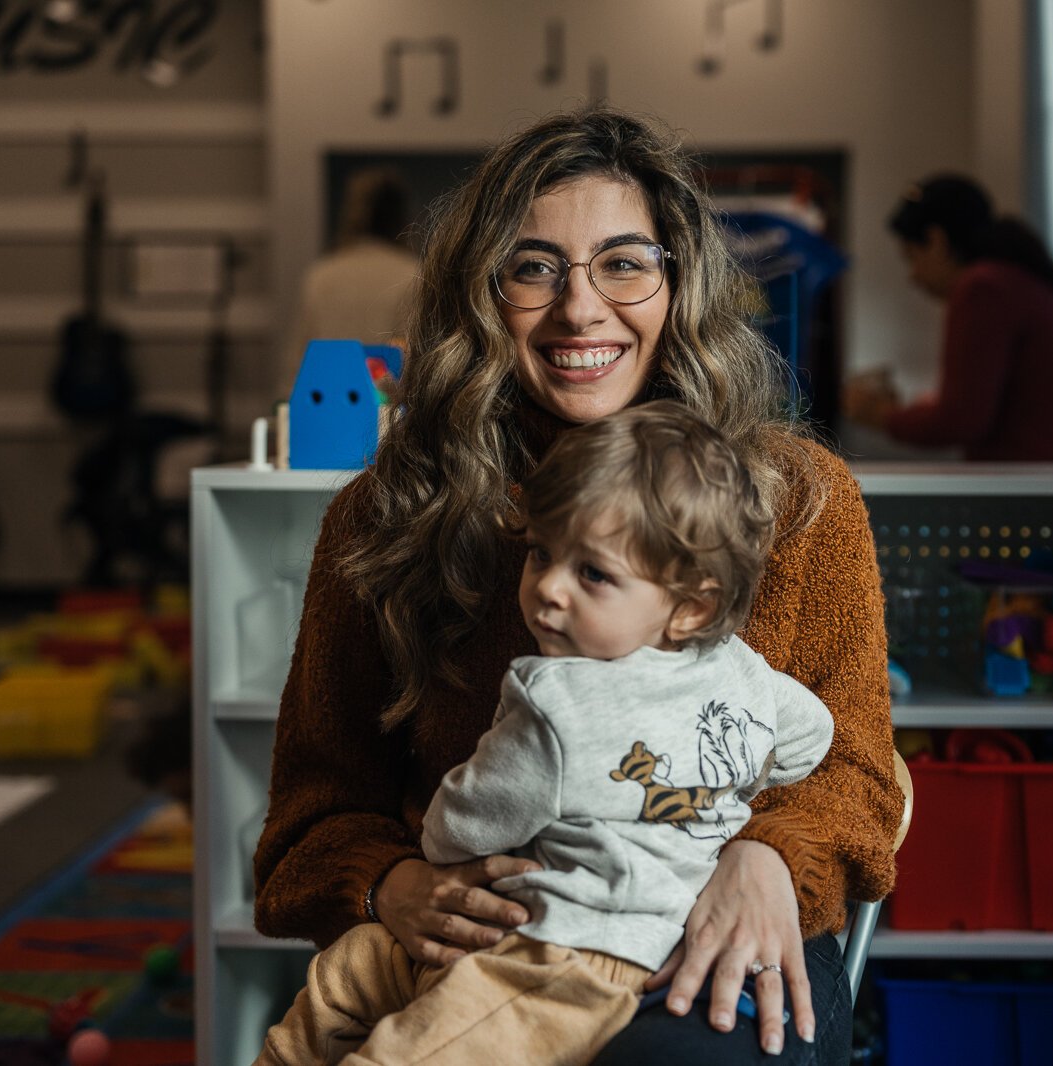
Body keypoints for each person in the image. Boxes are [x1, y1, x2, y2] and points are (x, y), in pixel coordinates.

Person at [253, 106, 903, 1065]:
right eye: (532, 268)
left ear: (679, 284)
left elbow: (855, 767)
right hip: (474, 956)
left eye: (624, 263)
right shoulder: (386, 513)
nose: (579, 310)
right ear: (483, 293)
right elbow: (313, 809)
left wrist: (773, 855)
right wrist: (387, 882)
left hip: (717, 933)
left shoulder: (799, 499)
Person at [255, 401, 835, 1065]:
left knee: (399, 1051)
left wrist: (434, 844)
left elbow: (462, 829)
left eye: (592, 573)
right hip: (626, 942)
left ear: (691, 605)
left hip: (553, 958)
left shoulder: (557, 701)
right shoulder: (743, 674)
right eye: (540, 552)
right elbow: (810, 738)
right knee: (358, 962)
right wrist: (730, 781)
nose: (548, 589)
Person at [842, 175, 1053, 461]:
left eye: (912, 256)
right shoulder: (1028, 279)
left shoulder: (983, 288)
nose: (913, 276)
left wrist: (880, 415)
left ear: (936, 241)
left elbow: (962, 419)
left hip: (1042, 483)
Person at [283, 166, 419, 394]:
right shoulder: (413, 274)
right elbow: (413, 363)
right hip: (387, 414)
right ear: (402, 216)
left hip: (325, 406)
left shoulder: (321, 276)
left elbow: (298, 364)